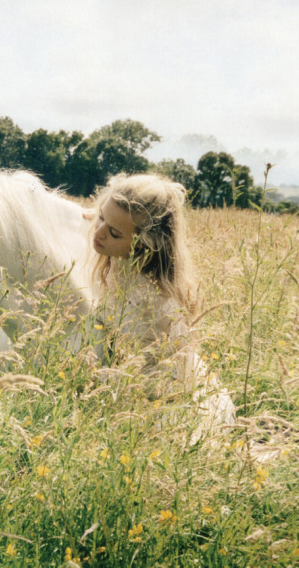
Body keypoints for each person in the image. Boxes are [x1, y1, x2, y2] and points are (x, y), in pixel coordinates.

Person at [87, 172, 235, 442]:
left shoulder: (158, 302)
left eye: (114, 232)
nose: (98, 233)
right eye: (101, 217)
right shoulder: (115, 255)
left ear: (144, 246)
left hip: (156, 405)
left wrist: (127, 388)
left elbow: (182, 369)